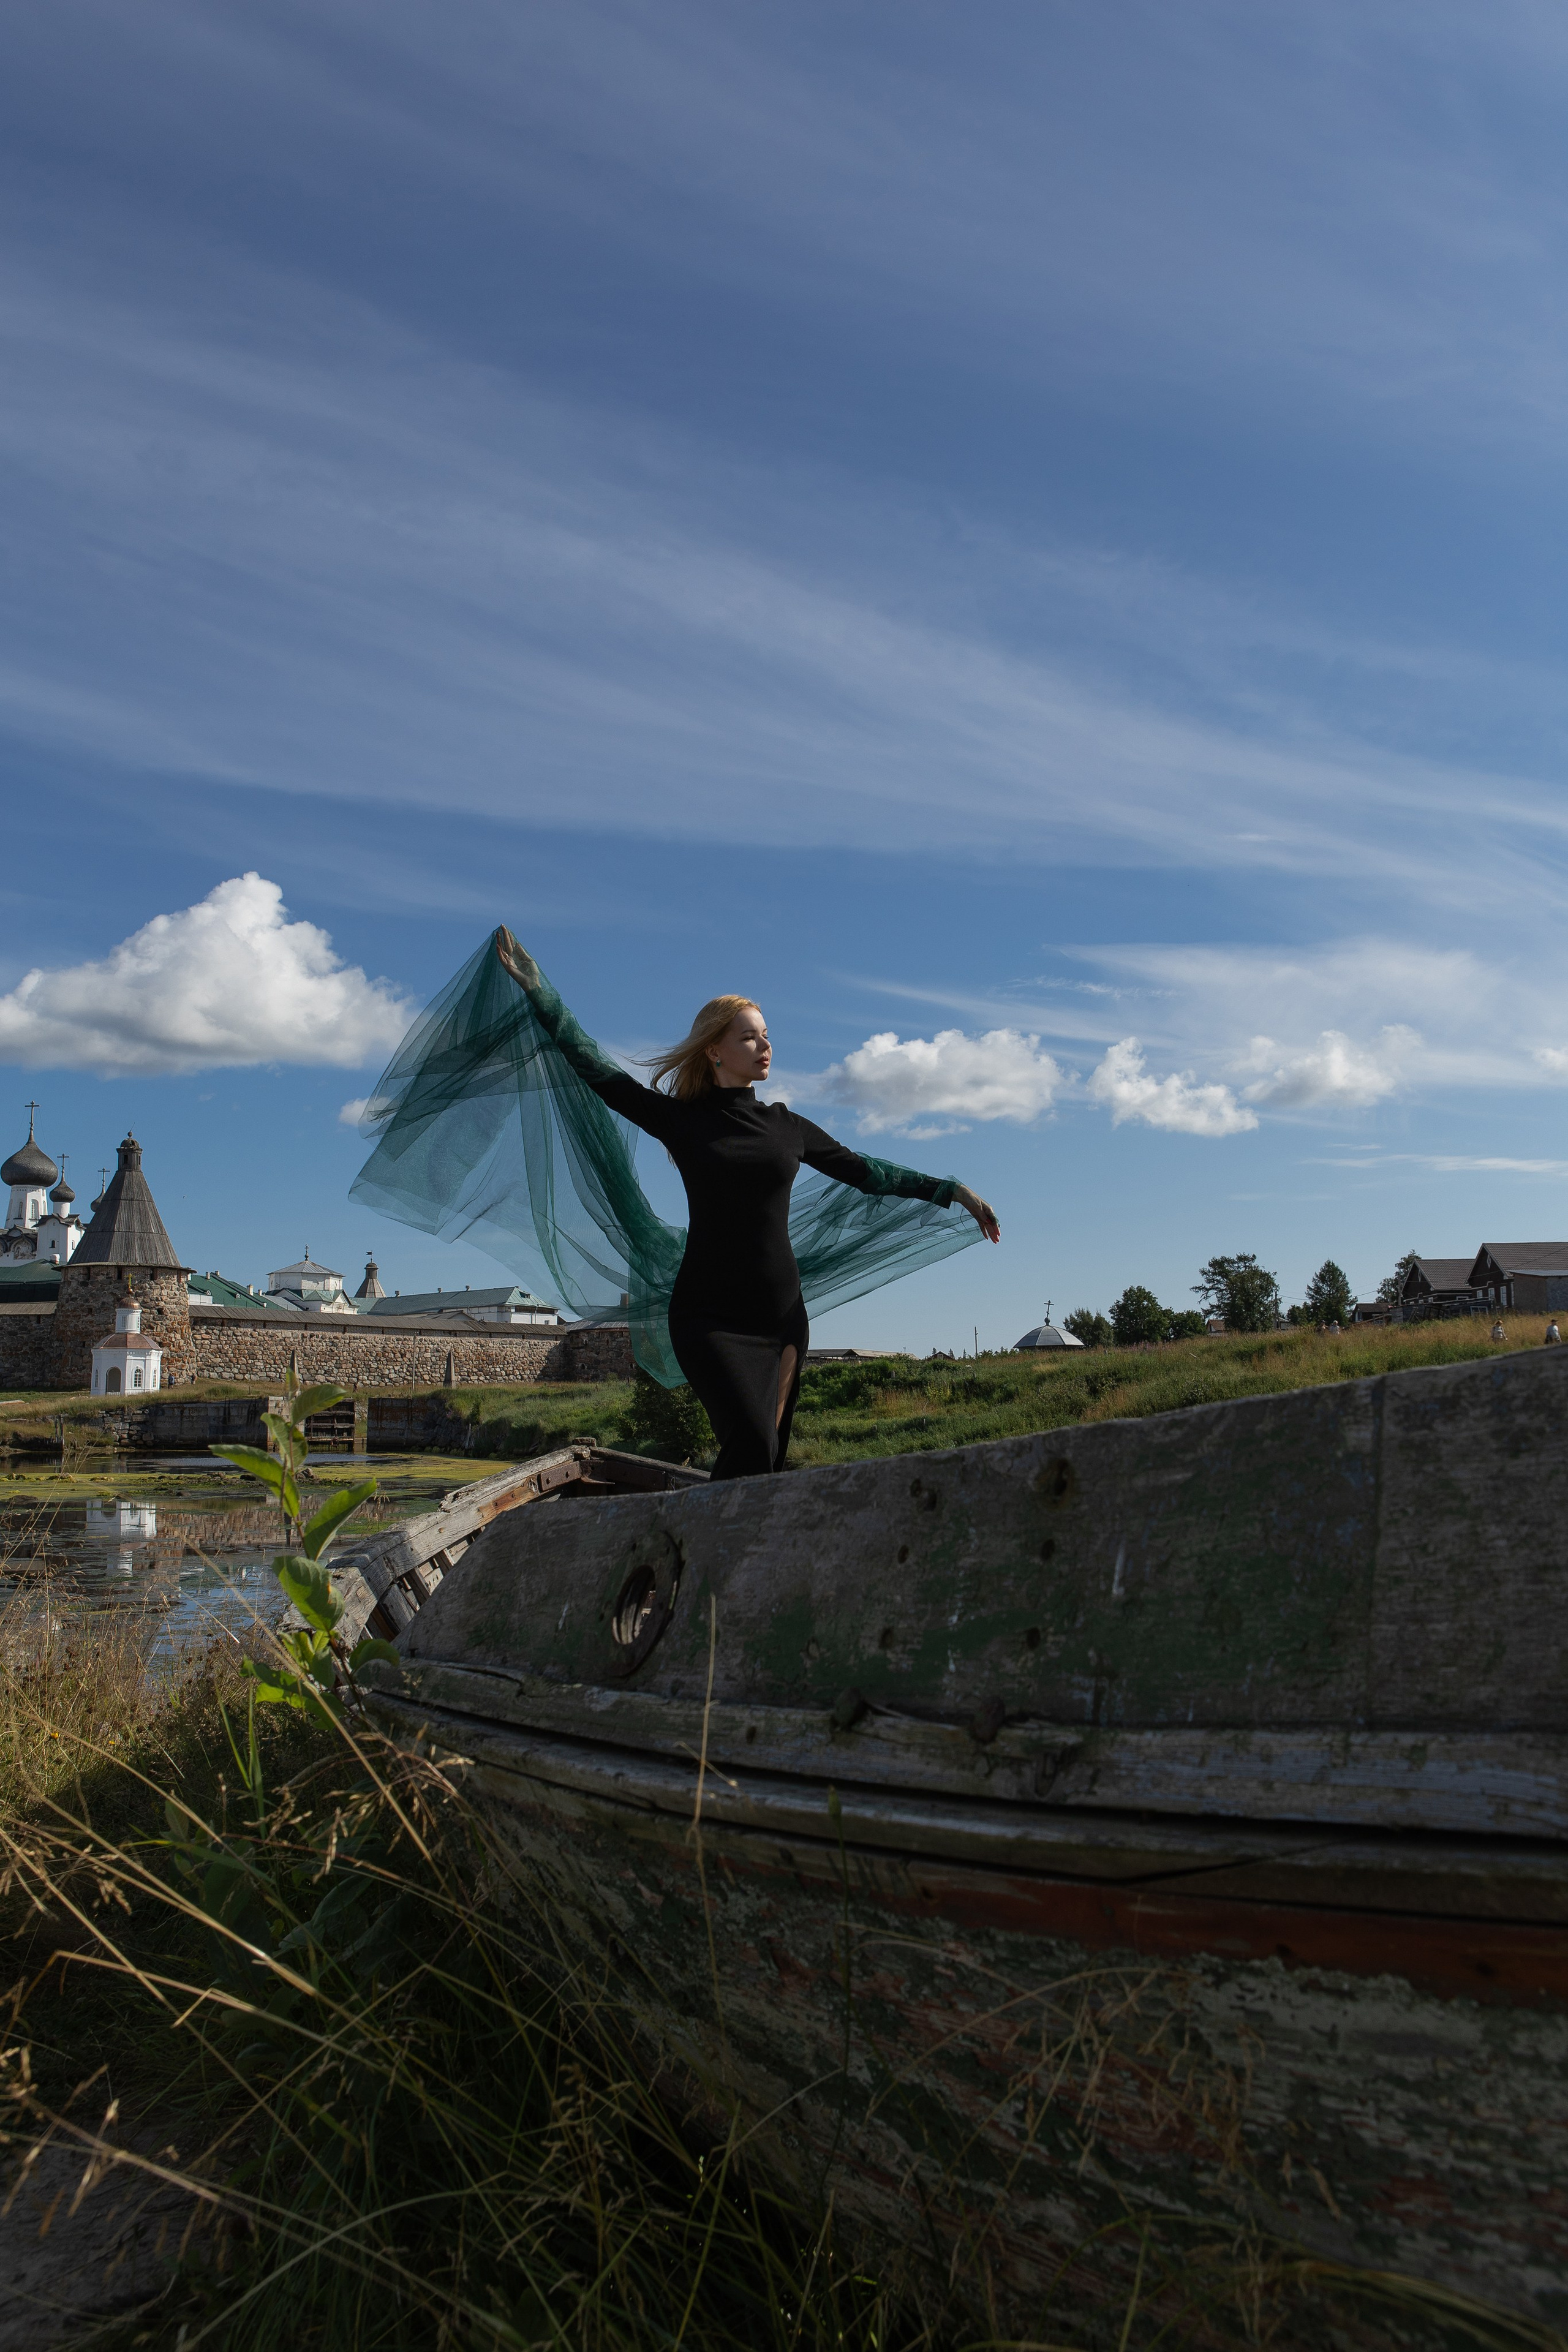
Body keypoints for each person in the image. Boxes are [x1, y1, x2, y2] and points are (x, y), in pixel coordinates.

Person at [495, 930, 999, 1479]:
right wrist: (541, 993)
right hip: (708, 1316)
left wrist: (951, 1190)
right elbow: (597, 1070)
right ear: (715, 1050)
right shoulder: (682, 1122)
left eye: (766, 1036)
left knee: (765, 1463)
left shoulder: (787, 1126)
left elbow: (868, 1173)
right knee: (751, 1443)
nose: (765, 1047)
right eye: (750, 1038)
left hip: (781, 1317)